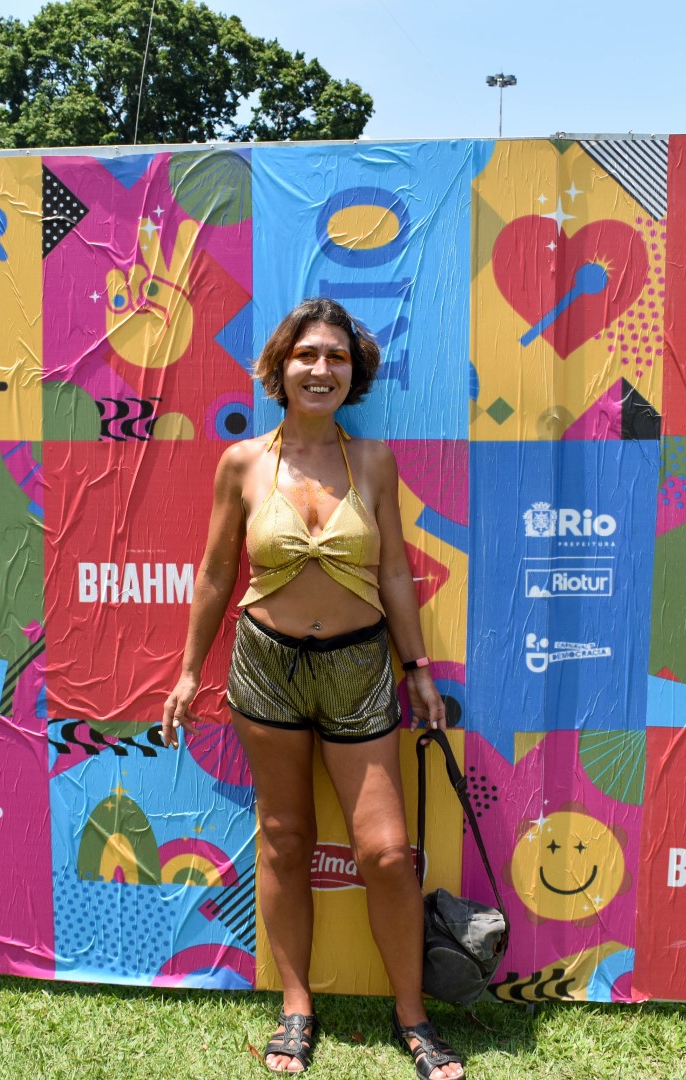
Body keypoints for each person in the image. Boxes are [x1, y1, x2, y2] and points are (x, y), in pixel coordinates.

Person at [162, 298, 464, 1079]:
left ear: (353, 372)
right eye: (307, 356)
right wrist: (190, 670)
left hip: (360, 667)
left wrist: (417, 666)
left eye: (335, 357)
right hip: (264, 666)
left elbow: (394, 568)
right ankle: (296, 1007)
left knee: (389, 853)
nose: (321, 369)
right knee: (286, 839)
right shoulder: (243, 463)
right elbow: (217, 572)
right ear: (280, 368)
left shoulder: (373, 463)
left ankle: (413, 1016)